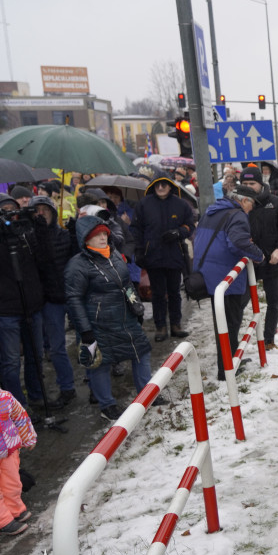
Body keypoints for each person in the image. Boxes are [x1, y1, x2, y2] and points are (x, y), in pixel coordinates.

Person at [65, 215, 154, 421]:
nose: (103, 238)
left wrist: (136, 307)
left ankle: (147, 394)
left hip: (124, 318)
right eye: (97, 235)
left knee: (141, 351)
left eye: (104, 233)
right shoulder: (77, 265)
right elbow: (74, 299)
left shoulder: (114, 255)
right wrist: (85, 330)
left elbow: (127, 284)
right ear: (85, 239)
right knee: (100, 364)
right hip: (98, 323)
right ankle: (107, 405)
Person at [193, 187, 265, 381]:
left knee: (225, 321)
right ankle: (227, 368)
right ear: (243, 201)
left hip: (208, 273)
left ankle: (230, 361)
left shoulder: (213, 211)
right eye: (251, 203)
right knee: (230, 322)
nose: (251, 208)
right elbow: (237, 242)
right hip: (224, 275)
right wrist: (258, 254)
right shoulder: (238, 215)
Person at [130, 170, 195, 342]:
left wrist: (179, 232)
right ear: (152, 186)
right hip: (153, 255)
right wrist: (139, 250)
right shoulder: (144, 204)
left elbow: (190, 224)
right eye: (157, 184)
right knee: (158, 293)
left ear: (170, 186)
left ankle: (176, 324)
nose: (160, 187)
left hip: (174, 254)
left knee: (174, 292)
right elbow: (136, 229)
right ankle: (161, 327)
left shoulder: (180, 204)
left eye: (164, 184)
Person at [0, 193, 51, 409]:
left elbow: (45, 261)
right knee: (11, 362)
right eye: (5, 210)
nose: (10, 214)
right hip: (6, 310)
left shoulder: (25, 234)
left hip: (32, 306)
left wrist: (40, 230)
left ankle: (37, 397)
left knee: (35, 356)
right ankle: (17, 407)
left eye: (13, 209)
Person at [237, 165, 278, 351]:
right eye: (244, 183)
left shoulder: (274, 202)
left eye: (252, 183)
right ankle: (235, 343)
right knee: (240, 303)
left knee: (273, 301)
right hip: (247, 263)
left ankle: (269, 339)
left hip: (272, 261)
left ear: (260, 184)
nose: (248, 186)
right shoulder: (239, 204)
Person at [30, 196, 77, 406]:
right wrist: (40, 234)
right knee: (57, 347)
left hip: (73, 295)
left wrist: (75, 235)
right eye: (37, 210)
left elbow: (77, 258)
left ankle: (96, 386)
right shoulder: (31, 239)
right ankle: (67, 387)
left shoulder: (65, 235)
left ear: (53, 212)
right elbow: (41, 262)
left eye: (45, 209)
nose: (42, 213)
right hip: (50, 300)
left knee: (88, 341)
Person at [0, 389, 36, 536]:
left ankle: (15, 509)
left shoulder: (4, 397)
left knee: (13, 483)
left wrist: (28, 436)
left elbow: (19, 415)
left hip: (9, 450)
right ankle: (3, 520)